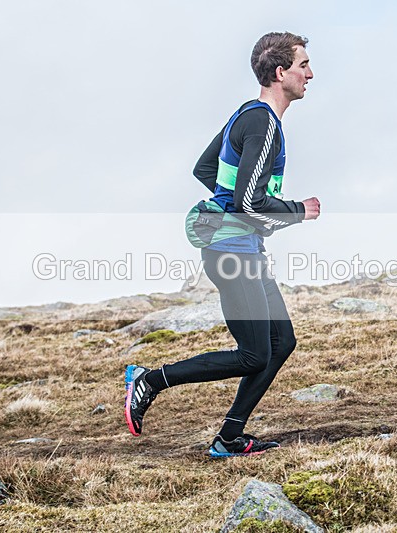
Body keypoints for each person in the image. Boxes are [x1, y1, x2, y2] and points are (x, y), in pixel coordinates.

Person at [124, 31, 321, 457]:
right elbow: (248, 201)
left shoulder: (248, 116)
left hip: (240, 248)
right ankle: (150, 380)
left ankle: (230, 437)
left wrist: (234, 210)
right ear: (280, 71)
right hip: (232, 252)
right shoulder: (264, 122)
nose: (311, 73)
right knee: (253, 355)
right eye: (304, 65)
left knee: (280, 342)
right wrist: (296, 211)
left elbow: (204, 168)